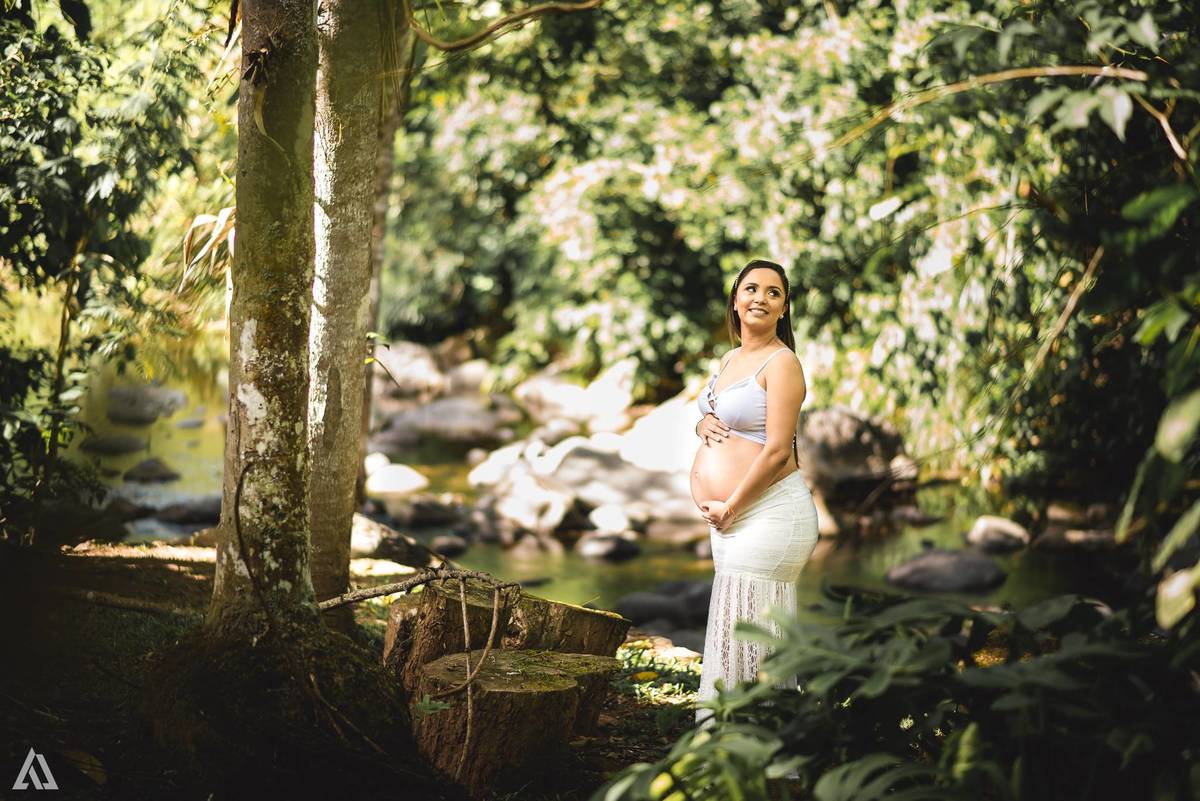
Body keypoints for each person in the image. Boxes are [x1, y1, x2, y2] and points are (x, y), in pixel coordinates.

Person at [689, 258, 819, 721]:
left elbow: (778, 451)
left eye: (773, 292)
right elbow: (718, 415)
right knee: (735, 625)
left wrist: (731, 506)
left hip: (770, 514)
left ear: (784, 308)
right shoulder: (730, 358)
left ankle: (757, 733)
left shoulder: (782, 363)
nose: (760, 298)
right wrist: (701, 423)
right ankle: (733, 734)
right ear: (735, 300)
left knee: (751, 629)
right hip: (733, 517)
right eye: (751, 289)